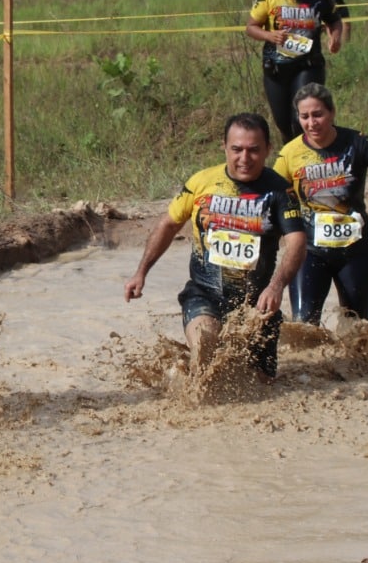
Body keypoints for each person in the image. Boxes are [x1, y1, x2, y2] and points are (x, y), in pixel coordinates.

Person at [124, 113, 307, 379]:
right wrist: (141, 272)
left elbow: (297, 242)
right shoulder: (201, 183)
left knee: (262, 383)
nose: (244, 158)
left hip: (256, 304)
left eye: (254, 150)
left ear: (268, 149)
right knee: (205, 347)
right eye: (237, 149)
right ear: (224, 146)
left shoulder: (281, 192)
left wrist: (276, 285)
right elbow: (168, 225)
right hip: (205, 293)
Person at [274, 84, 368, 326]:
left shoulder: (358, 143)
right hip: (309, 252)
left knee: (355, 330)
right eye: (305, 117)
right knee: (303, 327)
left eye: (318, 114)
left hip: (357, 251)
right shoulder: (289, 153)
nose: (312, 123)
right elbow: (272, 197)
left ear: (332, 112)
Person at [245, 0, 344, 144]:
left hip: (308, 65)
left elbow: (335, 21)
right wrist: (269, 35)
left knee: (301, 120)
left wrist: (336, 37)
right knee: (283, 124)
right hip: (276, 67)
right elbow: (250, 27)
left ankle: (315, 157)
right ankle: (292, 162)